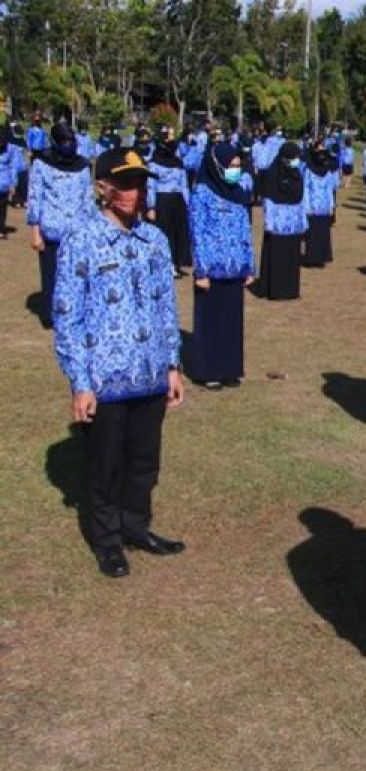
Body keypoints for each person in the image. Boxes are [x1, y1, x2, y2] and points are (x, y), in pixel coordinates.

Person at [52, 148, 186, 578]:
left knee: (144, 461)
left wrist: (172, 365)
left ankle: (136, 526)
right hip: (105, 378)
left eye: (140, 183)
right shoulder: (82, 239)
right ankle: (108, 541)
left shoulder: (155, 240)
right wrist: (80, 382)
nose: (135, 191)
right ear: (102, 187)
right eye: (126, 183)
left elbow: (167, 308)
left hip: (149, 374)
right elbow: (68, 316)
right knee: (105, 465)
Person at [189, 143, 255, 390]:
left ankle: (230, 369)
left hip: (235, 267)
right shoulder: (202, 193)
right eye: (232, 166)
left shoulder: (239, 192)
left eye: (238, 166)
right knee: (211, 322)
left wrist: (249, 266)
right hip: (212, 270)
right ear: (217, 166)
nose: (235, 171)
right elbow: (197, 232)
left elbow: (245, 231)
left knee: (231, 322)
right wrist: (201, 271)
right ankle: (210, 371)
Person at [27, 122, 94, 328]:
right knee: (52, 276)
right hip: (51, 232)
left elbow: (88, 199)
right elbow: (35, 197)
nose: (68, 145)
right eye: (63, 141)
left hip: (78, 233)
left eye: (71, 141)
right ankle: (51, 315)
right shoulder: (42, 164)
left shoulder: (82, 166)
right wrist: (35, 231)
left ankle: (75, 314)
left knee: (77, 277)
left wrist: (92, 228)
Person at [258, 142, 308, 300]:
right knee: (276, 256)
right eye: (293, 158)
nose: (296, 161)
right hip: (277, 226)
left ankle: (290, 290)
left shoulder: (297, 175)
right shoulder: (272, 175)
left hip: (293, 226)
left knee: (292, 257)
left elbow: (301, 199)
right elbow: (268, 199)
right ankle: (275, 289)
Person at [147, 133, 193, 279]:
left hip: (177, 201)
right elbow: (150, 186)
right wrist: (151, 206)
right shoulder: (153, 164)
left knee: (179, 233)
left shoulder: (178, 163)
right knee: (165, 234)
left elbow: (184, 185)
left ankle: (177, 263)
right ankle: (167, 265)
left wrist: (188, 203)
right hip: (162, 201)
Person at [302, 141, 339, 268]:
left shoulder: (327, 171)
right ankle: (311, 258)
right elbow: (305, 189)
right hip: (312, 208)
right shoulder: (308, 170)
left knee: (323, 234)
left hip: (324, 208)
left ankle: (322, 258)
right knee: (312, 234)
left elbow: (330, 189)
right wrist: (306, 206)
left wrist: (331, 206)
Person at [0, 128, 19, 238]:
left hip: (4, 184)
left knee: (2, 208)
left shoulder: (11, 149)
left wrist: (13, 183)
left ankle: (1, 229)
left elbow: (13, 167)